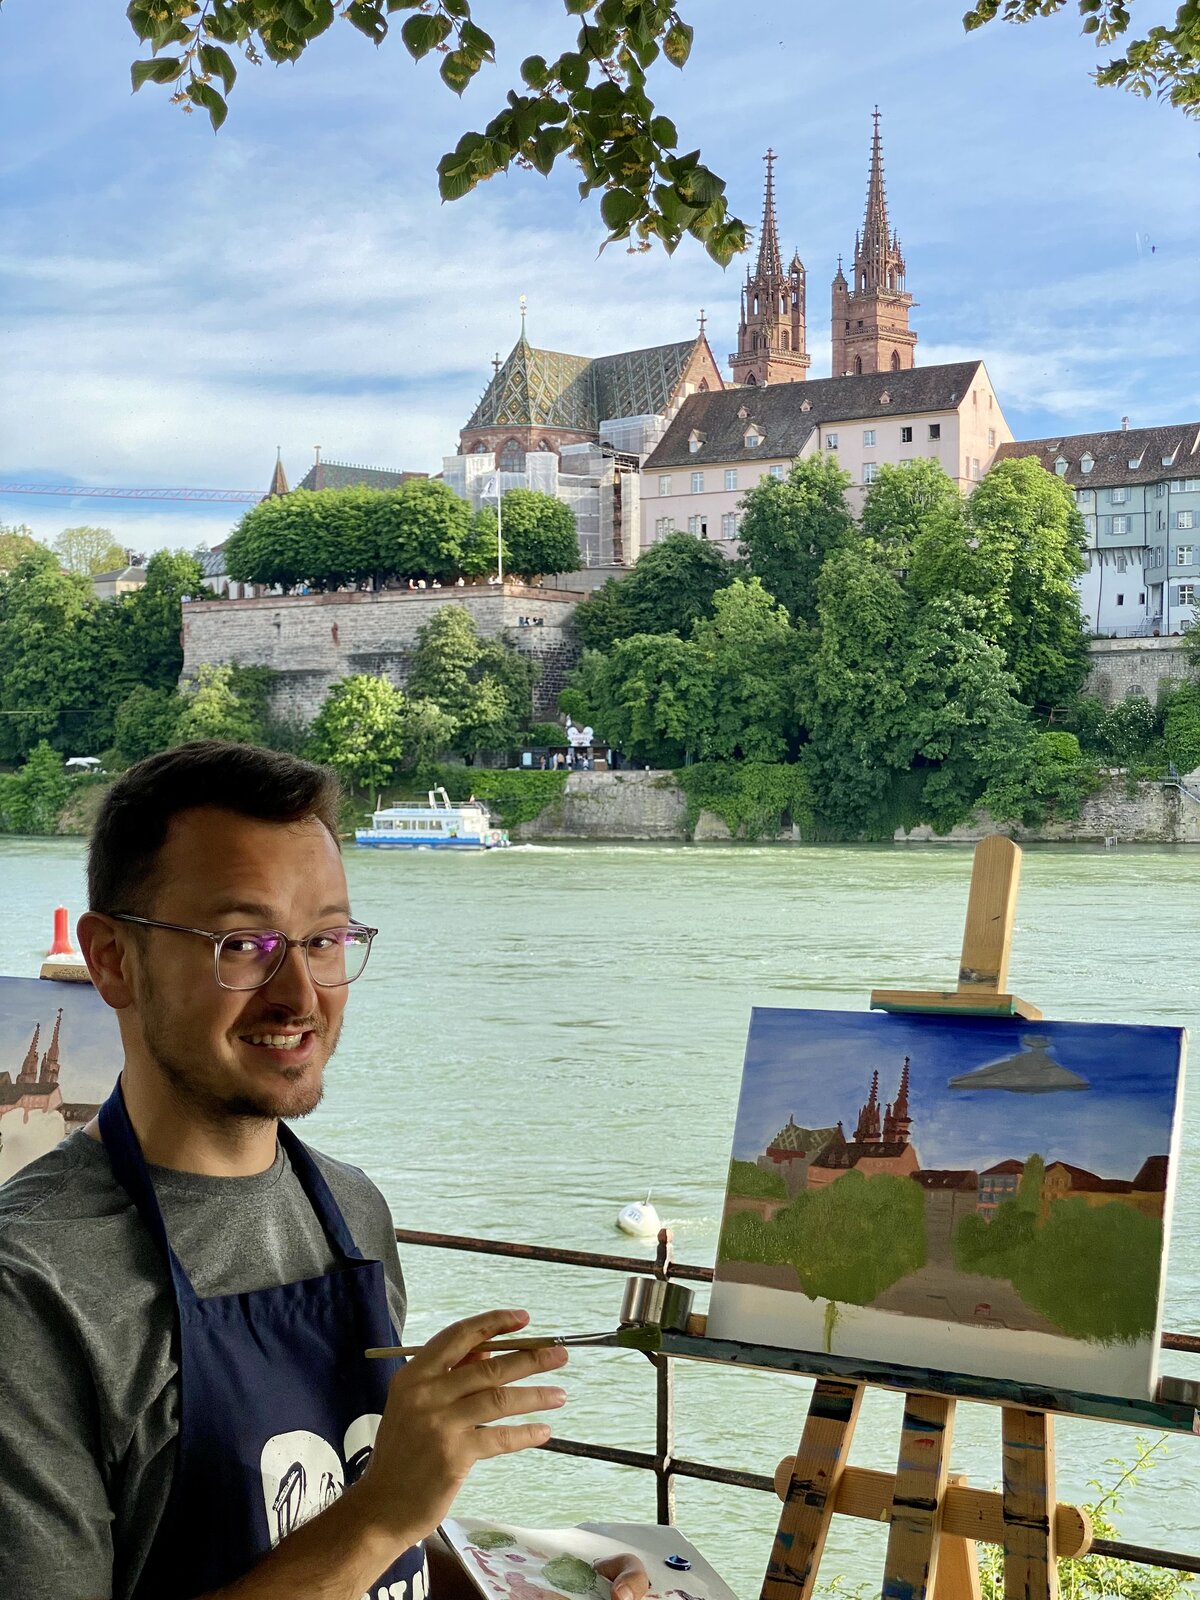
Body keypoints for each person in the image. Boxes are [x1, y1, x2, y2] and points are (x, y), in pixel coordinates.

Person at [0, 743, 651, 1600]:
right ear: (114, 959)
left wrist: (534, 1585)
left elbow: (359, 1546)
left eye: (325, 941)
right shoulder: (32, 1283)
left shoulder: (351, 1209)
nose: (301, 995)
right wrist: (383, 1514)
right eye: (244, 944)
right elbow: (371, 1523)